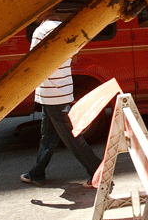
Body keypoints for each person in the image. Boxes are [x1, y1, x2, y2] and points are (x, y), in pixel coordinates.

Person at [20, 11, 101, 187]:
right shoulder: (66, 28)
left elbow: (33, 62)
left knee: (70, 136)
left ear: (42, 13)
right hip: (62, 89)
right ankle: (37, 174)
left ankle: (98, 170)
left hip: (51, 94)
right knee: (48, 136)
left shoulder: (40, 32)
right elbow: (75, 55)